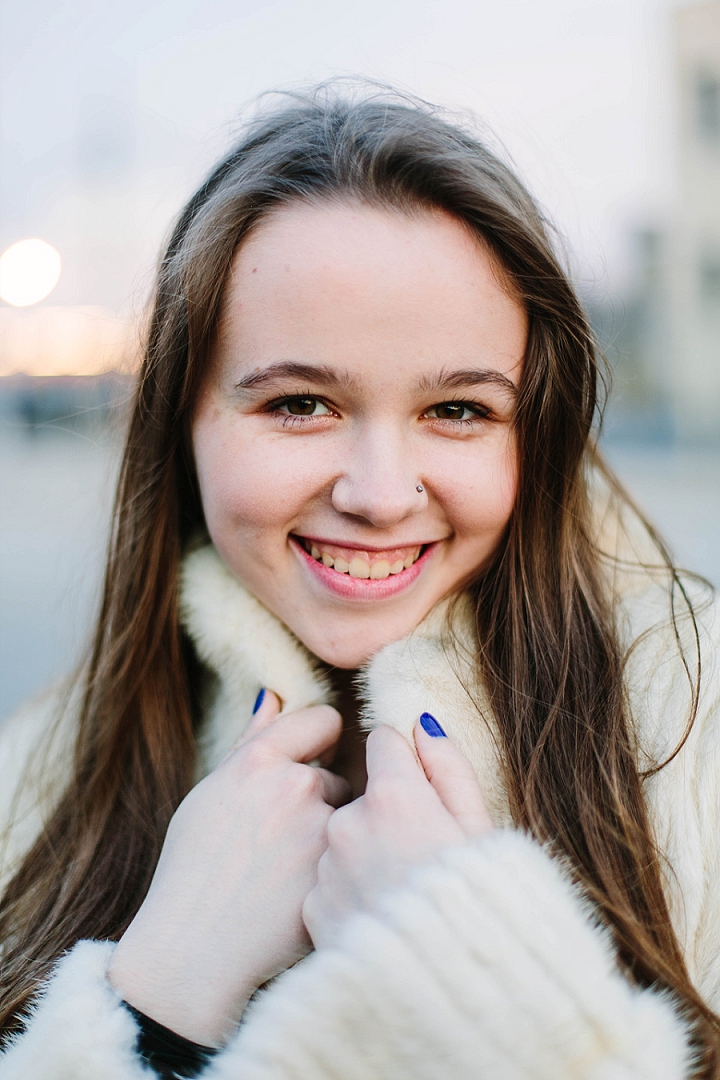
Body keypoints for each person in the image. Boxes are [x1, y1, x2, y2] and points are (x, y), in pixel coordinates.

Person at [0, 86, 718, 1080]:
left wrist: (475, 981)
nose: (381, 496)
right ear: (184, 425)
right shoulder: (35, 782)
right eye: (300, 403)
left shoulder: (698, 724)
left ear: (532, 436)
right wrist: (152, 1001)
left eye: (459, 410)